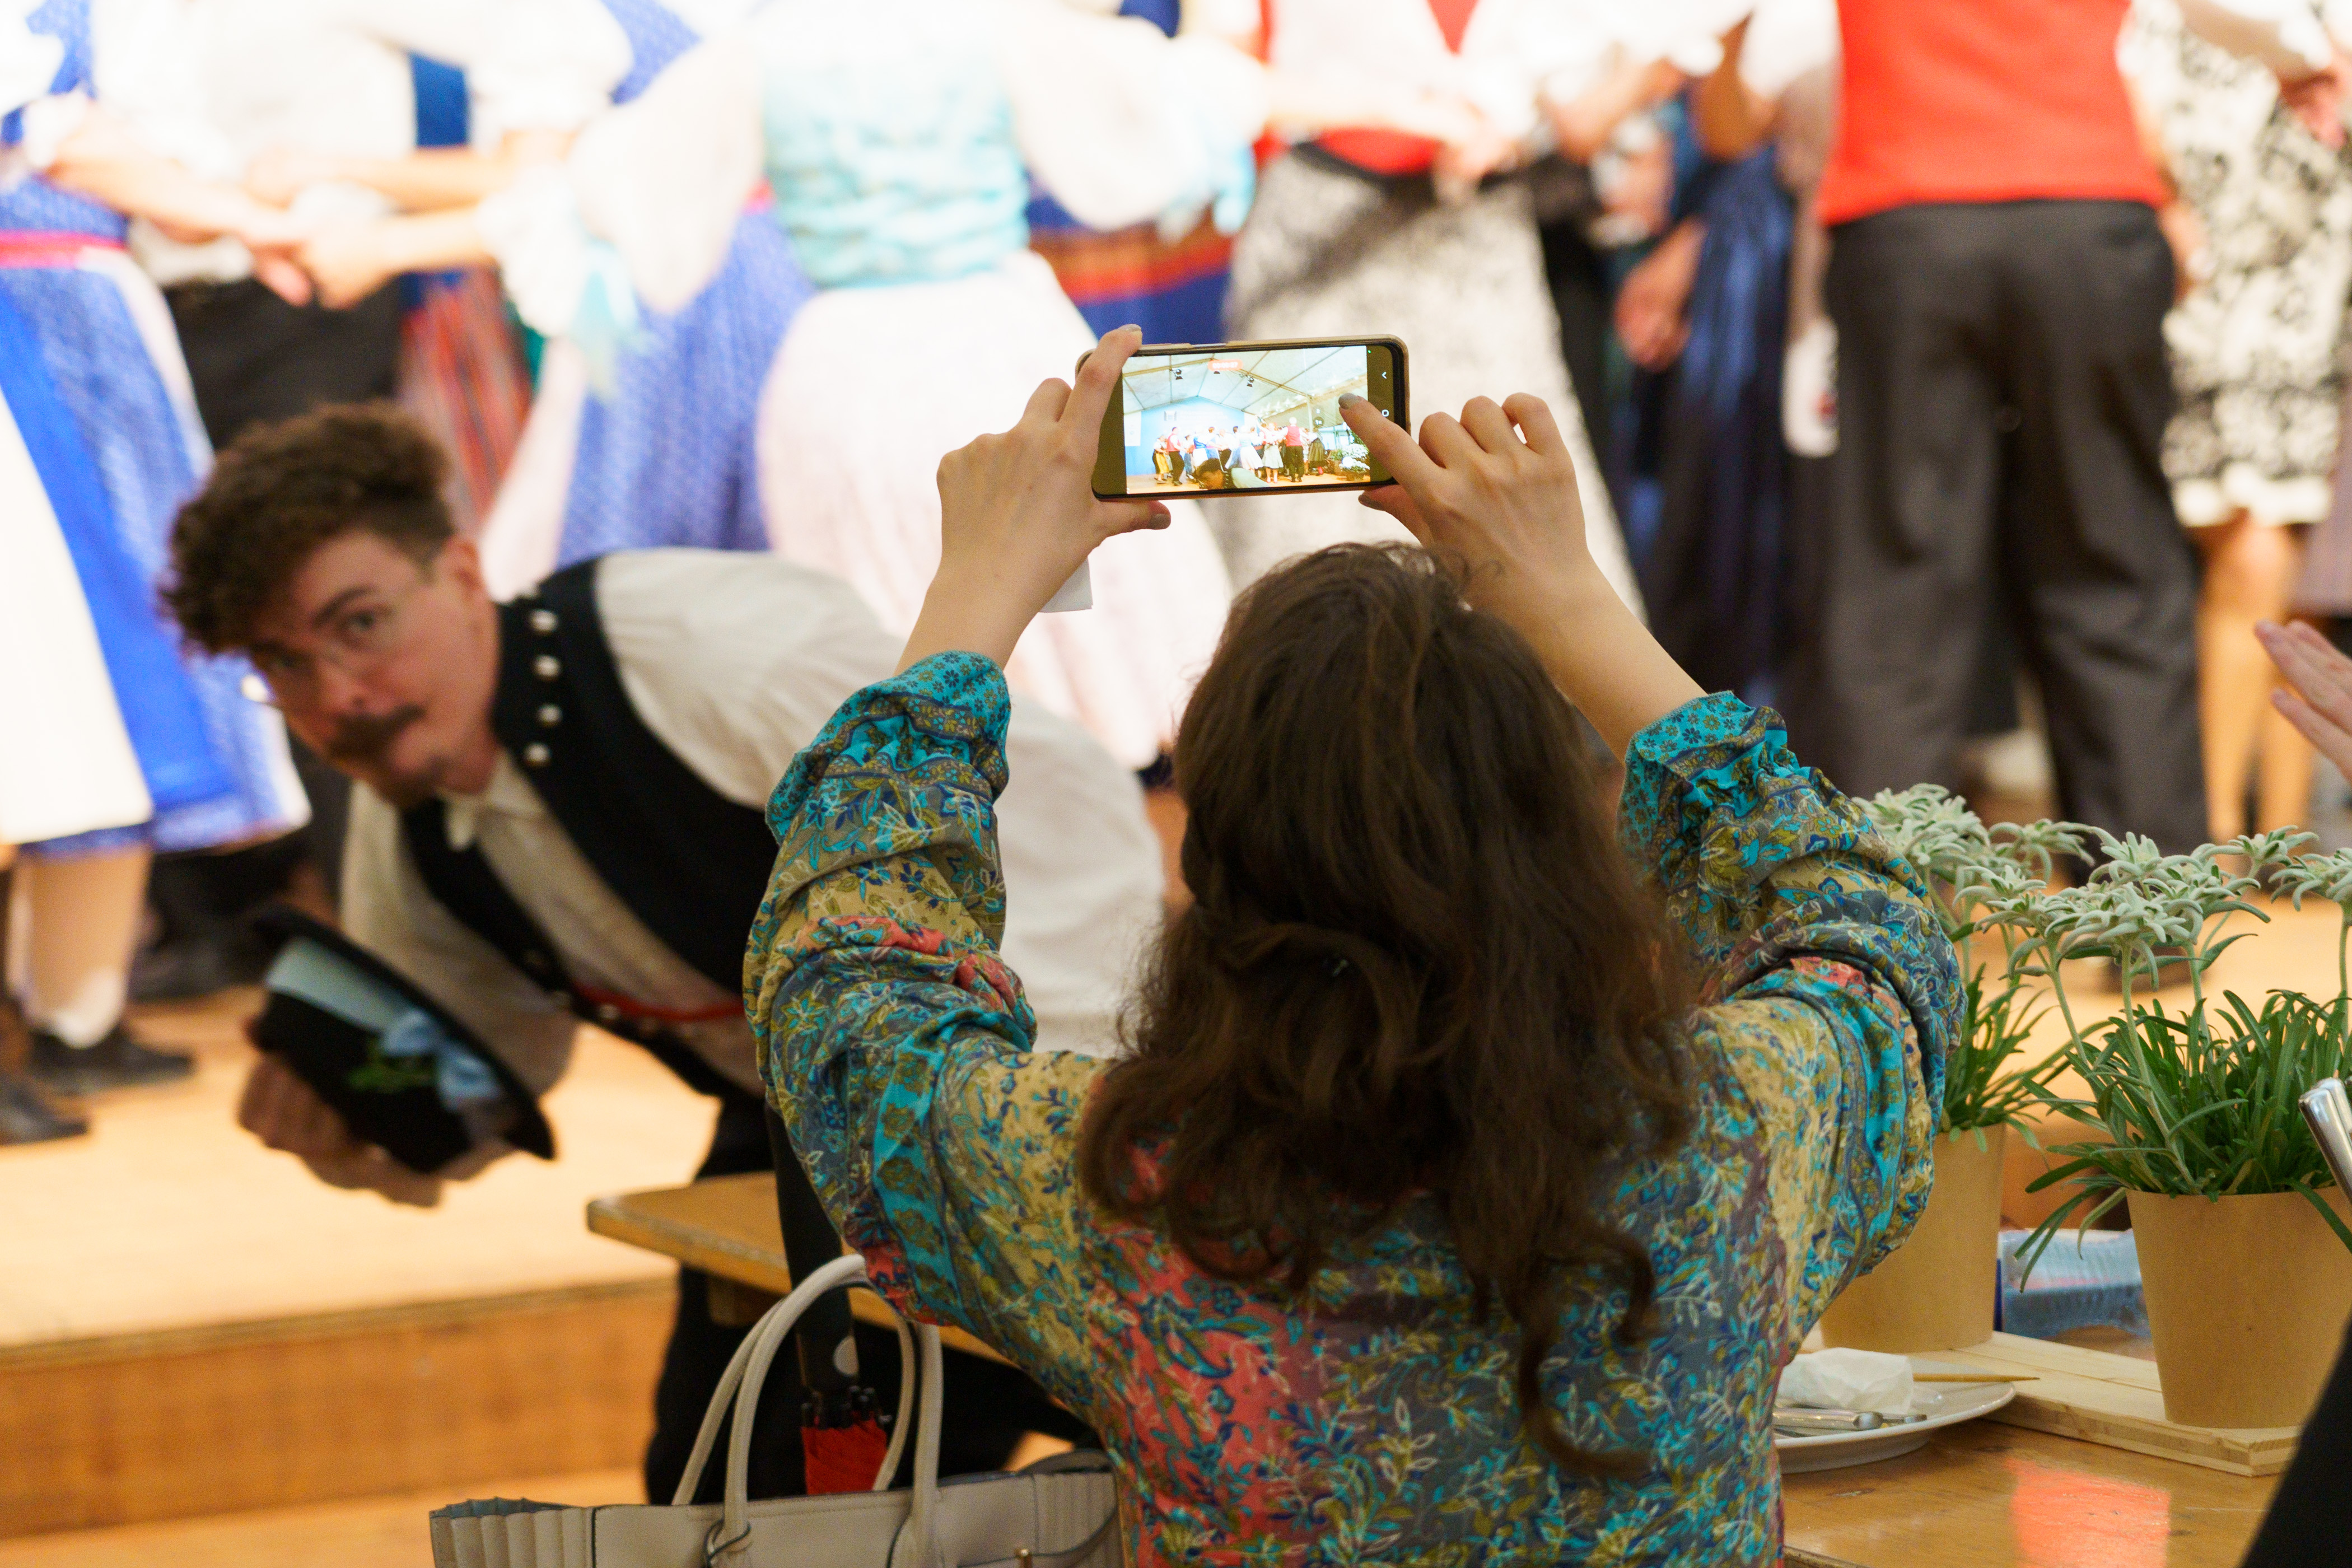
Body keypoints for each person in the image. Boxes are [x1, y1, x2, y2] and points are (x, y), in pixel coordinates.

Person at [746, 326, 1955, 1558]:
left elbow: (852, 997)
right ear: (1558, 848)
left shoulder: (1117, 1201)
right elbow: (1870, 933)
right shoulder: (1734, 1137)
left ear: (1218, 867)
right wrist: (1576, 603)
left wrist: (979, 596)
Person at [161, 404, 1170, 1505]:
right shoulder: (410, 838)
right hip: (804, 1136)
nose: (335, 699)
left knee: (1173, 1457)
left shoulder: (707, 648)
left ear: (458, 570)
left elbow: (1068, 820)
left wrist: (1016, 1125)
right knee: (719, 1498)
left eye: (358, 624)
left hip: (1036, 1098)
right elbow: (475, 1089)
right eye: (283, 662)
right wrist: (349, 1115)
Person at [1776, 0, 2206, 850]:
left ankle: (1878, 936)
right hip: (2083, 210)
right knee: (2113, 559)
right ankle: (2150, 921)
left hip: (1910, 212)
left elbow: (1761, 66)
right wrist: (2312, 52)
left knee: (1895, 578)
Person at [2, 1, 310, 1095]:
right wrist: (247, 215)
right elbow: (65, 136)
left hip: (88, 321)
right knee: (40, 681)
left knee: (112, 672)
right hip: (42, 328)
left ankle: (81, 1012)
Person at [1216, 0, 1642, 610]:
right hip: (1323, 241)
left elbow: (1617, 62)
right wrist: (1400, 113)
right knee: (1300, 539)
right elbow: (1217, 73)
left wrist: (1524, 126)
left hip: (1481, 238)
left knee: (1516, 520)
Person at [2125, 0, 2352, 841]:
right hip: (2221, 287)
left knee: (2279, 567)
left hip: (2295, 290)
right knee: (2264, 559)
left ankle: (2253, 839)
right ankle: (2237, 838)